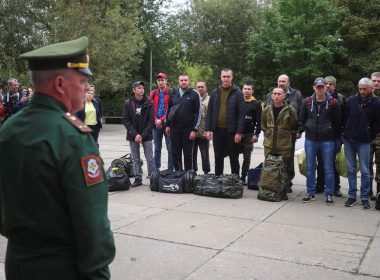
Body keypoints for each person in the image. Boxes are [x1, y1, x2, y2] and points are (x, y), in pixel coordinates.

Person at [0, 37, 115, 279]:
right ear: (60, 83)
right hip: (61, 267)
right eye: (82, 81)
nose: (86, 88)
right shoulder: (73, 138)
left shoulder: (9, 129)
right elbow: (92, 221)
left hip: (17, 262)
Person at [299, 77, 341, 205]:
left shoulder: (333, 102)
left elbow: (338, 122)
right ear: (314, 87)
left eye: (322, 87)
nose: (320, 89)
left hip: (327, 140)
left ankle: (329, 194)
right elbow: (302, 119)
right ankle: (310, 192)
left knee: (328, 168)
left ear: (325, 88)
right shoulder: (307, 102)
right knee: (310, 168)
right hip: (311, 140)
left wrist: (334, 137)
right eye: (318, 87)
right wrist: (303, 130)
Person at [343, 78, 380, 209]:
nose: (362, 91)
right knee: (351, 169)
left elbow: (377, 123)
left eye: (365, 89)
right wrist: (345, 133)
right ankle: (352, 196)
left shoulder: (376, 103)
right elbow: (345, 117)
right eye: (360, 88)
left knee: (365, 170)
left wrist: (370, 135)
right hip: (349, 140)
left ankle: (364, 197)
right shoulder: (351, 100)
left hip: (364, 141)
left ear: (371, 89)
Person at [265, 74, 303, 191]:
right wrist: (265, 131)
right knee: (271, 161)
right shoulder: (269, 95)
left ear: (288, 83)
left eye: (284, 81)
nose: (281, 83)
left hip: (288, 136)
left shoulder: (297, 95)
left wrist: (299, 130)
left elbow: (301, 113)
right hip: (272, 136)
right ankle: (272, 183)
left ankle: (286, 183)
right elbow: (264, 117)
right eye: (279, 81)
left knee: (287, 161)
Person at [205, 68, 245, 176]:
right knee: (218, 157)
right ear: (221, 77)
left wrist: (239, 132)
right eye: (224, 76)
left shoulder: (238, 93)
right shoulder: (215, 92)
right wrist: (208, 130)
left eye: (228, 76)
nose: (226, 79)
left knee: (233, 157)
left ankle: (235, 180)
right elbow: (210, 112)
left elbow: (242, 114)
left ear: (232, 77)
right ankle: (218, 180)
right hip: (218, 130)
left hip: (232, 131)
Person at [261, 87, 299, 200]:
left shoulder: (290, 110)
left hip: (284, 146)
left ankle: (283, 190)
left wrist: (285, 137)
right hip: (269, 145)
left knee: (285, 169)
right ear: (272, 96)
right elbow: (264, 125)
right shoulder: (266, 110)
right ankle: (270, 189)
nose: (276, 96)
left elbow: (294, 127)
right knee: (269, 168)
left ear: (284, 96)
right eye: (274, 94)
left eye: (279, 94)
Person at [315, 76, 346, 197]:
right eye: (326, 84)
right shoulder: (318, 98)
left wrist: (342, 134)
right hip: (321, 136)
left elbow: (344, 118)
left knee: (333, 163)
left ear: (334, 86)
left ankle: (335, 187)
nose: (327, 86)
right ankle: (319, 185)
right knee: (321, 162)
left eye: (330, 84)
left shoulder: (341, 99)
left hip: (335, 136)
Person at [123, 81, 156, 187]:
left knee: (149, 157)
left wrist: (142, 135)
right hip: (133, 135)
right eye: (138, 88)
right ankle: (138, 178)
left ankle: (153, 177)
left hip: (146, 135)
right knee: (135, 158)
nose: (141, 90)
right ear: (134, 90)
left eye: (142, 88)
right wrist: (135, 134)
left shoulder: (149, 102)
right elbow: (126, 120)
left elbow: (151, 121)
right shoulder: (128, 103)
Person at [165, 74, 200, 171]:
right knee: (176, 153)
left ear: (189, 81)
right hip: (174, 129)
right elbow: (169, 110)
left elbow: (198, 113)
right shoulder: (173, 93)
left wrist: (194, 130)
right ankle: (178, 175)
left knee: (188, 154)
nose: (183, 82)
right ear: (178, 81)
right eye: (181, 80)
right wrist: (167, 125)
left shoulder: (194, 94)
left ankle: (188, 176)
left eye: (185, 80)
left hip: (188, 130)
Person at [149, 73, 174, 171]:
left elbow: (172, 109)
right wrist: (155, 120)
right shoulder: (154, 93)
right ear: (157, 82)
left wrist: (162, 119)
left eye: (162, 80)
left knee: (170, 148)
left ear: (166, 81)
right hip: (156, 125)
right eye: (158, 80)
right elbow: (149, 107)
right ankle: (156, 169)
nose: (160, 82)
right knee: (157, 148)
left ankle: (170, 169)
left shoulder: (172, 92)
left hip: (168, 124)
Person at [239, 81, 262, 184]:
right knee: (233, 156)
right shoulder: (238, 101)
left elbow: (259, 120)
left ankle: (243, 177)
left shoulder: (256, 104)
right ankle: (234, 175)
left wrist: (256, 134)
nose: (246, 91)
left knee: (246, 157)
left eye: (249, 89)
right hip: (237, 134)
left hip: (249, 135)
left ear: (252, 91)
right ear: (242, 90)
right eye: (245, 89)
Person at [192, 81, 211, 174]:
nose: (200, 88)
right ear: (196, 88)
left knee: (205, 154)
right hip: (193, 132)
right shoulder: (193, 98)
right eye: (198, 87)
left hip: (204, 132)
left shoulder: (210, 100)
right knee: (192, 154)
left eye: (202, 87)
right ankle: (193, 171)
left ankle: (206, 172)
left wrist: (209, 131)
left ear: (206, 88)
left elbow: (211, 117)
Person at [370, 72, 380, 206]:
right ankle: (367, 193)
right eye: (374, 81)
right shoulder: (365, 95)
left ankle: (379, 194)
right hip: (367, 137)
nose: (376, 83)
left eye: (378, 81)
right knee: (366, 166)